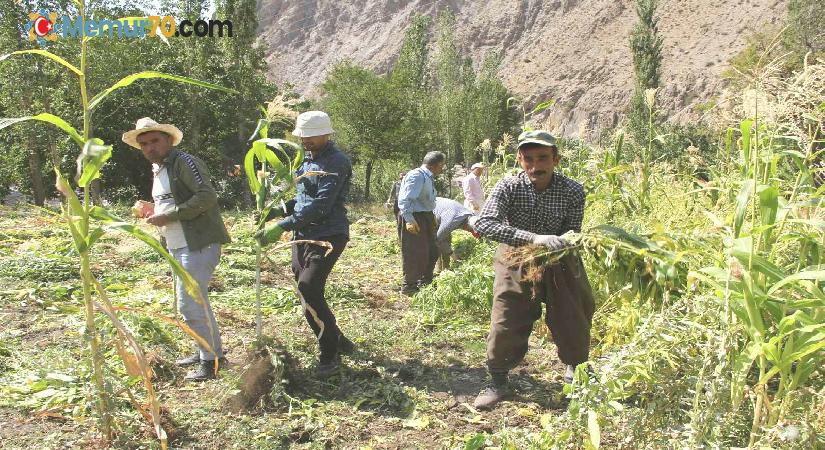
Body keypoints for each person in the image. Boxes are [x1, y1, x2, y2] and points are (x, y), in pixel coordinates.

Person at [472, 130, 595, 410]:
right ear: (519, 159)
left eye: (542, 158)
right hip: (516, 257)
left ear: (556, 159)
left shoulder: (573, 190)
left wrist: (566, 241)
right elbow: (485, 224)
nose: (535, 166)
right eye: (528, 159)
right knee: (506, 317)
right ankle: (498, 381)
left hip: (558, 256)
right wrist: (533, 238)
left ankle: (575, 373)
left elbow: (573, 229)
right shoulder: (508, 187)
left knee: (574, 313)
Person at [123, 117, 230, 382]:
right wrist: (154, 209)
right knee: (196, 303)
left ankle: (211, 362)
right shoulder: (159, 169)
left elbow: (206, 196)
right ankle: (207, 352)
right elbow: (173, 203)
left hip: (198, 242)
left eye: (155, 141)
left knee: (189, 305)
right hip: (177, 243)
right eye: (144, 144)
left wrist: (168, 216)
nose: (150, 147)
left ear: (169, 140)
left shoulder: (184, 162)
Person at [256, 111, 355, 377]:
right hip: (302, 235)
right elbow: (302, 199)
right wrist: (276, 211)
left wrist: (282, 226)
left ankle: (329, 354)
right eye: (303, 136)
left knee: (308, 286)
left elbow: (321, 205)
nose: (306, 140)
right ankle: (336, 338)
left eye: (311, 136)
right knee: (305, 293)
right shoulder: (305, 161)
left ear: (326, 134)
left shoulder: (336, 161)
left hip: (328, 235)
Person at [397, 151, 445, 295]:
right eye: (442, 165)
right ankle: (409, 286)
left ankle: (425, 282)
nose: (442, 169)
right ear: (435, 165)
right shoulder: (417, 176)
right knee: (414, 252)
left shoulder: (427, 177)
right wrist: (409, 220)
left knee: (431, 251)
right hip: (414, 216)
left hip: (425, 216)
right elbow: (405, 199)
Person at [432, 197, 477, 272]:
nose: (469, 231)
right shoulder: (451, 221)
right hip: (428, 210)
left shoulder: (469, 214)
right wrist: (454, 256)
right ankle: (438, 270)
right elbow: (438, 239)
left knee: (446, 238)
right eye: (470, 230)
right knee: (439, 241)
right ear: (467, 226)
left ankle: (446, 267)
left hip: (443, 209)